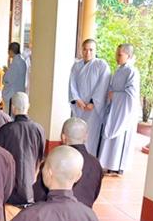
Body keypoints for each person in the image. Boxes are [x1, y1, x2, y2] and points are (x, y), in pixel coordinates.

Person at [34, 118, 103, 207]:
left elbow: (37, 195)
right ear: (86, 136)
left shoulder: (54, 161)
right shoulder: (96, 164)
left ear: (63, 137)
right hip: (84, 212)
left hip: (54, 212)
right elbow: (95, 193)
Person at [0, 92, 45, 206]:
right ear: (28, 106)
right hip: (31, 188)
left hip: (10, 189)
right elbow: (40, 157)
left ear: (12, 108)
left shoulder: (5, 130)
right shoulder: (39, 129)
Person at [99, 43, 140, 176]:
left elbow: (131, 95)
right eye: (116, 54)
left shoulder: (132, 72)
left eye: (120, 54)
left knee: (120, 139)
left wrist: (115, 96)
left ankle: (117, 167)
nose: (117, 57)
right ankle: (109, 164)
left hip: (124, 111)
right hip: (115, 109)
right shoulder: (119, 70)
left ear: (128, 55)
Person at [69, 38, 111, 156]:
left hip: (93, 108)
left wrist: (92, 102)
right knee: (76, 132)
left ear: (95, 50)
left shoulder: (101, 65)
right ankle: (76, 157)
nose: (88, 53)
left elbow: (103, 84)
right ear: (81, 50)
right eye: (85, 49)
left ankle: (89, 158)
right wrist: (77, 99)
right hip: (79, 106)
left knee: (91, 135)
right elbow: (72, 84)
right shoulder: (76, 66)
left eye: (91, 50)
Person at [3, 42, 28, 114]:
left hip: (12, 94)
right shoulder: (23, 62)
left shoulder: (15, 63)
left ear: (10, 51)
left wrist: (6, 72)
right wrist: (8, 71)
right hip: (20, 91)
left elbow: (8, 80)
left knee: (10, 116)